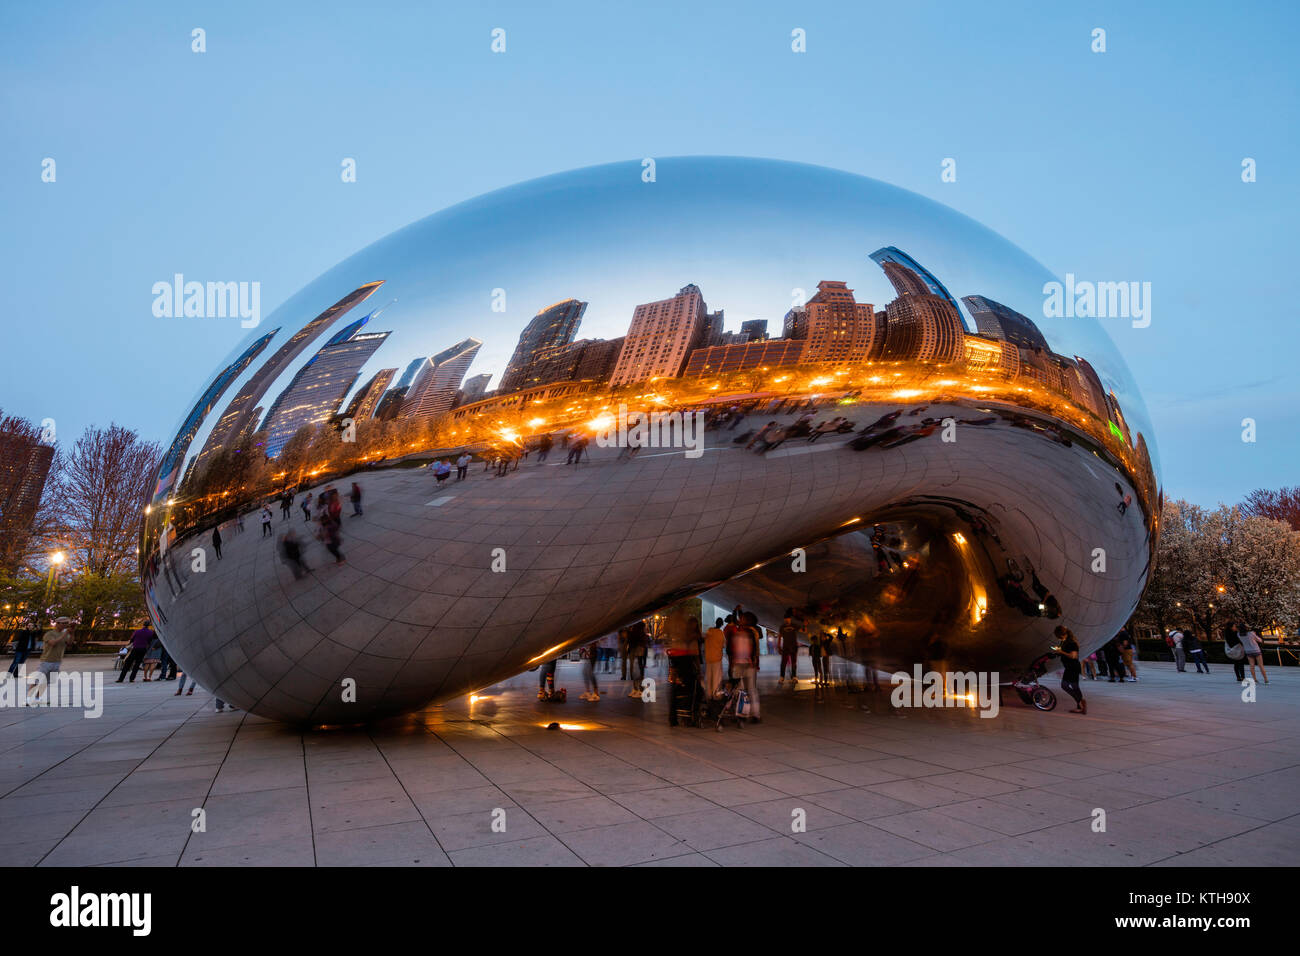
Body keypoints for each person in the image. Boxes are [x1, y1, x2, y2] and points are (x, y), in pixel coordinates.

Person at [665, 613, 701, 726]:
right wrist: (698, 670)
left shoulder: (679, 639)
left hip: (677, 665)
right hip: (685, 665)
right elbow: (694, 655)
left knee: (676, 691)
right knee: (694, 690)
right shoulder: (688, 639)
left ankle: (673, 717)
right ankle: (690, 714)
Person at [27, 617, 73, 702]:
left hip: (57, 661)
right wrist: (65, 633)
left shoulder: (65, 634)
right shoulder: (50, 634)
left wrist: (72, 634)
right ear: (57, 623)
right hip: (46, 661)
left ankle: (38, 698)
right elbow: (53, 643)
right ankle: (28, 699)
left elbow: (70, 644)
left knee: (46, 682)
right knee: (37, 680)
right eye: (63, 623)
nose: (65, 625)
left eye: (66, 623)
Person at [729, 612, 761, 723]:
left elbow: (753, 648)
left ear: (747, 620)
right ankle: (745, 713)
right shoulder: (746, 632)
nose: (740, 620)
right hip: (742, 664)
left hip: (746, 664)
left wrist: (753, 661)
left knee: (747, 689)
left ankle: (752, 714)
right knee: (743, 689)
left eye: (742, 618)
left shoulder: (750, 632)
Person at [1054, 625, 1086, 714]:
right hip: (1070, 667)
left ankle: (1080, 702)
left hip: (1073, 667)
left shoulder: (1071, 642)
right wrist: (1058, 652)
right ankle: (1080, 705)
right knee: (1074, 687)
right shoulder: (1064, 642)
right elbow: (1065, 653)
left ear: (1061, 634)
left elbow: (1073, 656)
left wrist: (1061, 652)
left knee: (1065, 685)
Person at [703, 617, 725, 698]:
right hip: (717, 659)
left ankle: (708, 694)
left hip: (708, 658)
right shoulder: (720, 633)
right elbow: (723, 645)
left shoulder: (709, 630)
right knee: (716, 678)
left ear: (715, 622)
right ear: (721, 624)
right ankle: (715, 694)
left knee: (709, 677)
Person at [777, 610, 800, 685]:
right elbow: (780, 636)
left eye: (788, 618)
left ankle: (794, 677)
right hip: (785, 646)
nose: (787, 620)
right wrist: (778, 645)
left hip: (794, 646)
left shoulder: (794, 625)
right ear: (784, 619)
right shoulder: (782, 627)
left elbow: (803, 630)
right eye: (785, 618)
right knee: (783, 662)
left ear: (790, 619)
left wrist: (805, 626)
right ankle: (781, 677)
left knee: (794, 662)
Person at [626, 620, 648, 696]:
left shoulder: (638, 625)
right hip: (635, 647)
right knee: (635, 668)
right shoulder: (634, 625)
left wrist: (629, 632)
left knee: (637, 668)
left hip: (638, 647)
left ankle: (640, 690)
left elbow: (635, 637)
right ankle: (636, 689)